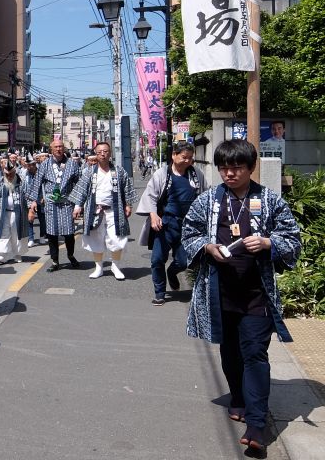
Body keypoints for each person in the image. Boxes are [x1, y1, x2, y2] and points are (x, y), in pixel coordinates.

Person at [181, 139, 300, 454]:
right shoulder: (208, 200)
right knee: (230, 352)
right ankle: (237, 396)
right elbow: (189, 234)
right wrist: (208, 247)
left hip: (257, 294)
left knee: (255, 354)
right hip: (219, 292)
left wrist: (268, 243)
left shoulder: (270, 200)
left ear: (250, 167)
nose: (229, 174)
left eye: (236, 167)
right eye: (224, 168)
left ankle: (257, 425)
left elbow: (292, 238)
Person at [136, 141, 207, 306]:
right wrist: (153, 214)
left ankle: (172, 272)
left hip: (189, 225)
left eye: (190, 158)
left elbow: (204, 196)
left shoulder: (196, 174)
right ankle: (159, 293)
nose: (188, 161)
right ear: (174, 155)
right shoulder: (162, 174)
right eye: (184, 157)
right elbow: (150, 196)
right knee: (157, 259)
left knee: (184, 261)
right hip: (166, 223)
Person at [69, 141, 136, 280]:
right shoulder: (89, 172)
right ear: (96, 154)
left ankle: (115, 266)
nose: (102, 154)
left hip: (114, 211)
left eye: (105, 151)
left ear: (110, 153)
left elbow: (127, 188)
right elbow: (81, 189)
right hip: (95, 211)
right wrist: (77, 206)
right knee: (96, 239)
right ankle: (98, 267)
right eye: (99, 152)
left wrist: (128, 204)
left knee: (117, 239)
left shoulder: (119, 171)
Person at [27, 140, 81, 271]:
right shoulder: (45, 164)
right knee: (52, 233)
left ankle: (70, 255)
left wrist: (78, 203)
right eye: (56, 147)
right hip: (51, 203)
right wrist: (33, 201)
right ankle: (55, 260)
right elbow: (37, 183)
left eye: (60, 146)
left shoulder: (72, 164)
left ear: (64, 148)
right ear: (51, 149)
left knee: (69, 232)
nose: (58, 149)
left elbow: (79, 184)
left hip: (67, 202)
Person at [0, 152, 29, 264]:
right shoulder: (0, 182)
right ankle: (3, 255)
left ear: (14, 172)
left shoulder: (21, 181)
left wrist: (30, 208)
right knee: (3, 233)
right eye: (7, 174)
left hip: (18, 212)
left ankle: (18, 254)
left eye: (11, 174)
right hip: (4, 212)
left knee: (16, 234)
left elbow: (28, 195)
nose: (9, 176)